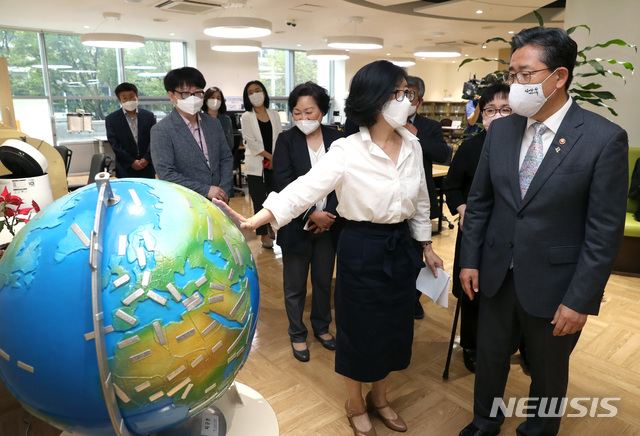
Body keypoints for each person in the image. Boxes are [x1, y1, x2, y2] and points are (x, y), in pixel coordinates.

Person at [215, 60, 443, 436]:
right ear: (375, 99)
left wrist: (426, 244)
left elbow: (420, 199)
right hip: (362, 246)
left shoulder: (413, 145)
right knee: (359, 328)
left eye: (408, 93)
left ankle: (380, 397)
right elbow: (304, 188)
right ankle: (355, 402)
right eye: (398, 93)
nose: (406, 100)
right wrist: (257, 219)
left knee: (393, 326)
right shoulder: (347, 149)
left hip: (400, 245)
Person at [458, 27, 628, 436]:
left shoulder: (603, 139)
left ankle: (539, 430)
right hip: (497, 272)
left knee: (549, 370)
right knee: (491, 356)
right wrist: (470, 260)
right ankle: (485, 422)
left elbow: (604, 230)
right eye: (512, 74)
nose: (516, 83)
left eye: (526, 74)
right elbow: (480, 203)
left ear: (559, 77)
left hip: (557, 283)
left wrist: (581, 299)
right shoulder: (501, 131)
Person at [273, 82, 345, 362]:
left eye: (309, 111)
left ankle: (321, 327)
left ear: (323, 111)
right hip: (296, 226)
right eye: (297, 113)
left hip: (329, 226)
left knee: (324, 281)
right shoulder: (286, 140)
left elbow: (345, 181)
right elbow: (283, 181)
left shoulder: (338, 139)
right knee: (295, 285)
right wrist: (309, 214)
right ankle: (297, 332)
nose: (303, 118)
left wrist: (330, 216)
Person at [442, 83, 511, 373]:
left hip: (509, 236)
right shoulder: (470, 147)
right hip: (475, 233)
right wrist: (463, 209)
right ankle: (470, 345)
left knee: (506, 292)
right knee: (472, 291)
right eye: (490, 111)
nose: (497, 116)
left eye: (505, 110)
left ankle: (506, 344)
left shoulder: (528, 147)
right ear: (481, 115)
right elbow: (451, 186)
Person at [404, 75, 451, 320]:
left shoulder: (429, 126)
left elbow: (443, 154)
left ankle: (414, 300)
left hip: (419, 201)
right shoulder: (386, 123)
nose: (404, 100)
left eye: (410, 95)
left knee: (416, 257)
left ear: (419, 101)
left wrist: (416, 137)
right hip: (392, 204)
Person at [150, 67, 233, 202]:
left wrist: (223, 191)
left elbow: (226, 158)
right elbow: (166, 174)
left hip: (220, 200)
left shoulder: (213, 123)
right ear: (172, 96)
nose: (193, 98)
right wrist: (206, 190)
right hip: (186, 203)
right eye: (186, 93)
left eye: (197, 93)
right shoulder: (161, 130)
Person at [241, 80, 283, 249]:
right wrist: (270, 157)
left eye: (257, 90)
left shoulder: (274, 114)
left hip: (274, 162)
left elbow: (279, 137)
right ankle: (263, 233)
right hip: (256, 163)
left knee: (275, 196)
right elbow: (252, 142)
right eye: (250, 92)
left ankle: (272, 226)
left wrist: (275, 159)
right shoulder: (246, 116)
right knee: (259, 199)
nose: (255, 94)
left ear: (264, 93)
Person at [105, 82, 156, 179]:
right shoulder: (111, 119)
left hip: (147, 166)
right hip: (125, 168)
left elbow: (154, 140)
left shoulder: (149, 116)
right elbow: (115, 144)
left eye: (131, 96)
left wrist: (146, 159)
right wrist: (131, 161)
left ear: (137, 96)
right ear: (120, 100)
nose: (129, 100)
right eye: (124, 97)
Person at [202, 86, 234, 152]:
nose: (215, 100)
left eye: (218, 98)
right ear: (206, 100)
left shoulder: (226, 120)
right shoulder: (199, 119)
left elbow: (230, 143)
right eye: (212, 97)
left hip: (223, 157)